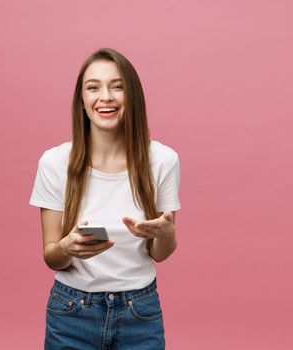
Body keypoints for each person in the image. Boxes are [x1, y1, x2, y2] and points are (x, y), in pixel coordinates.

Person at [29, 48, 181, 349]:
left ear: (132, 95)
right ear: (82, 100)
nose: (106, 96)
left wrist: (166, 233)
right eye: (93, 87)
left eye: (117, 86)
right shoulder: (54, 162)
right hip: (71, 313)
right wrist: (66, 247)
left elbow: (160, 252)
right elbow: (51, 257)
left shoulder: (163, 160)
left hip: (140, 312)